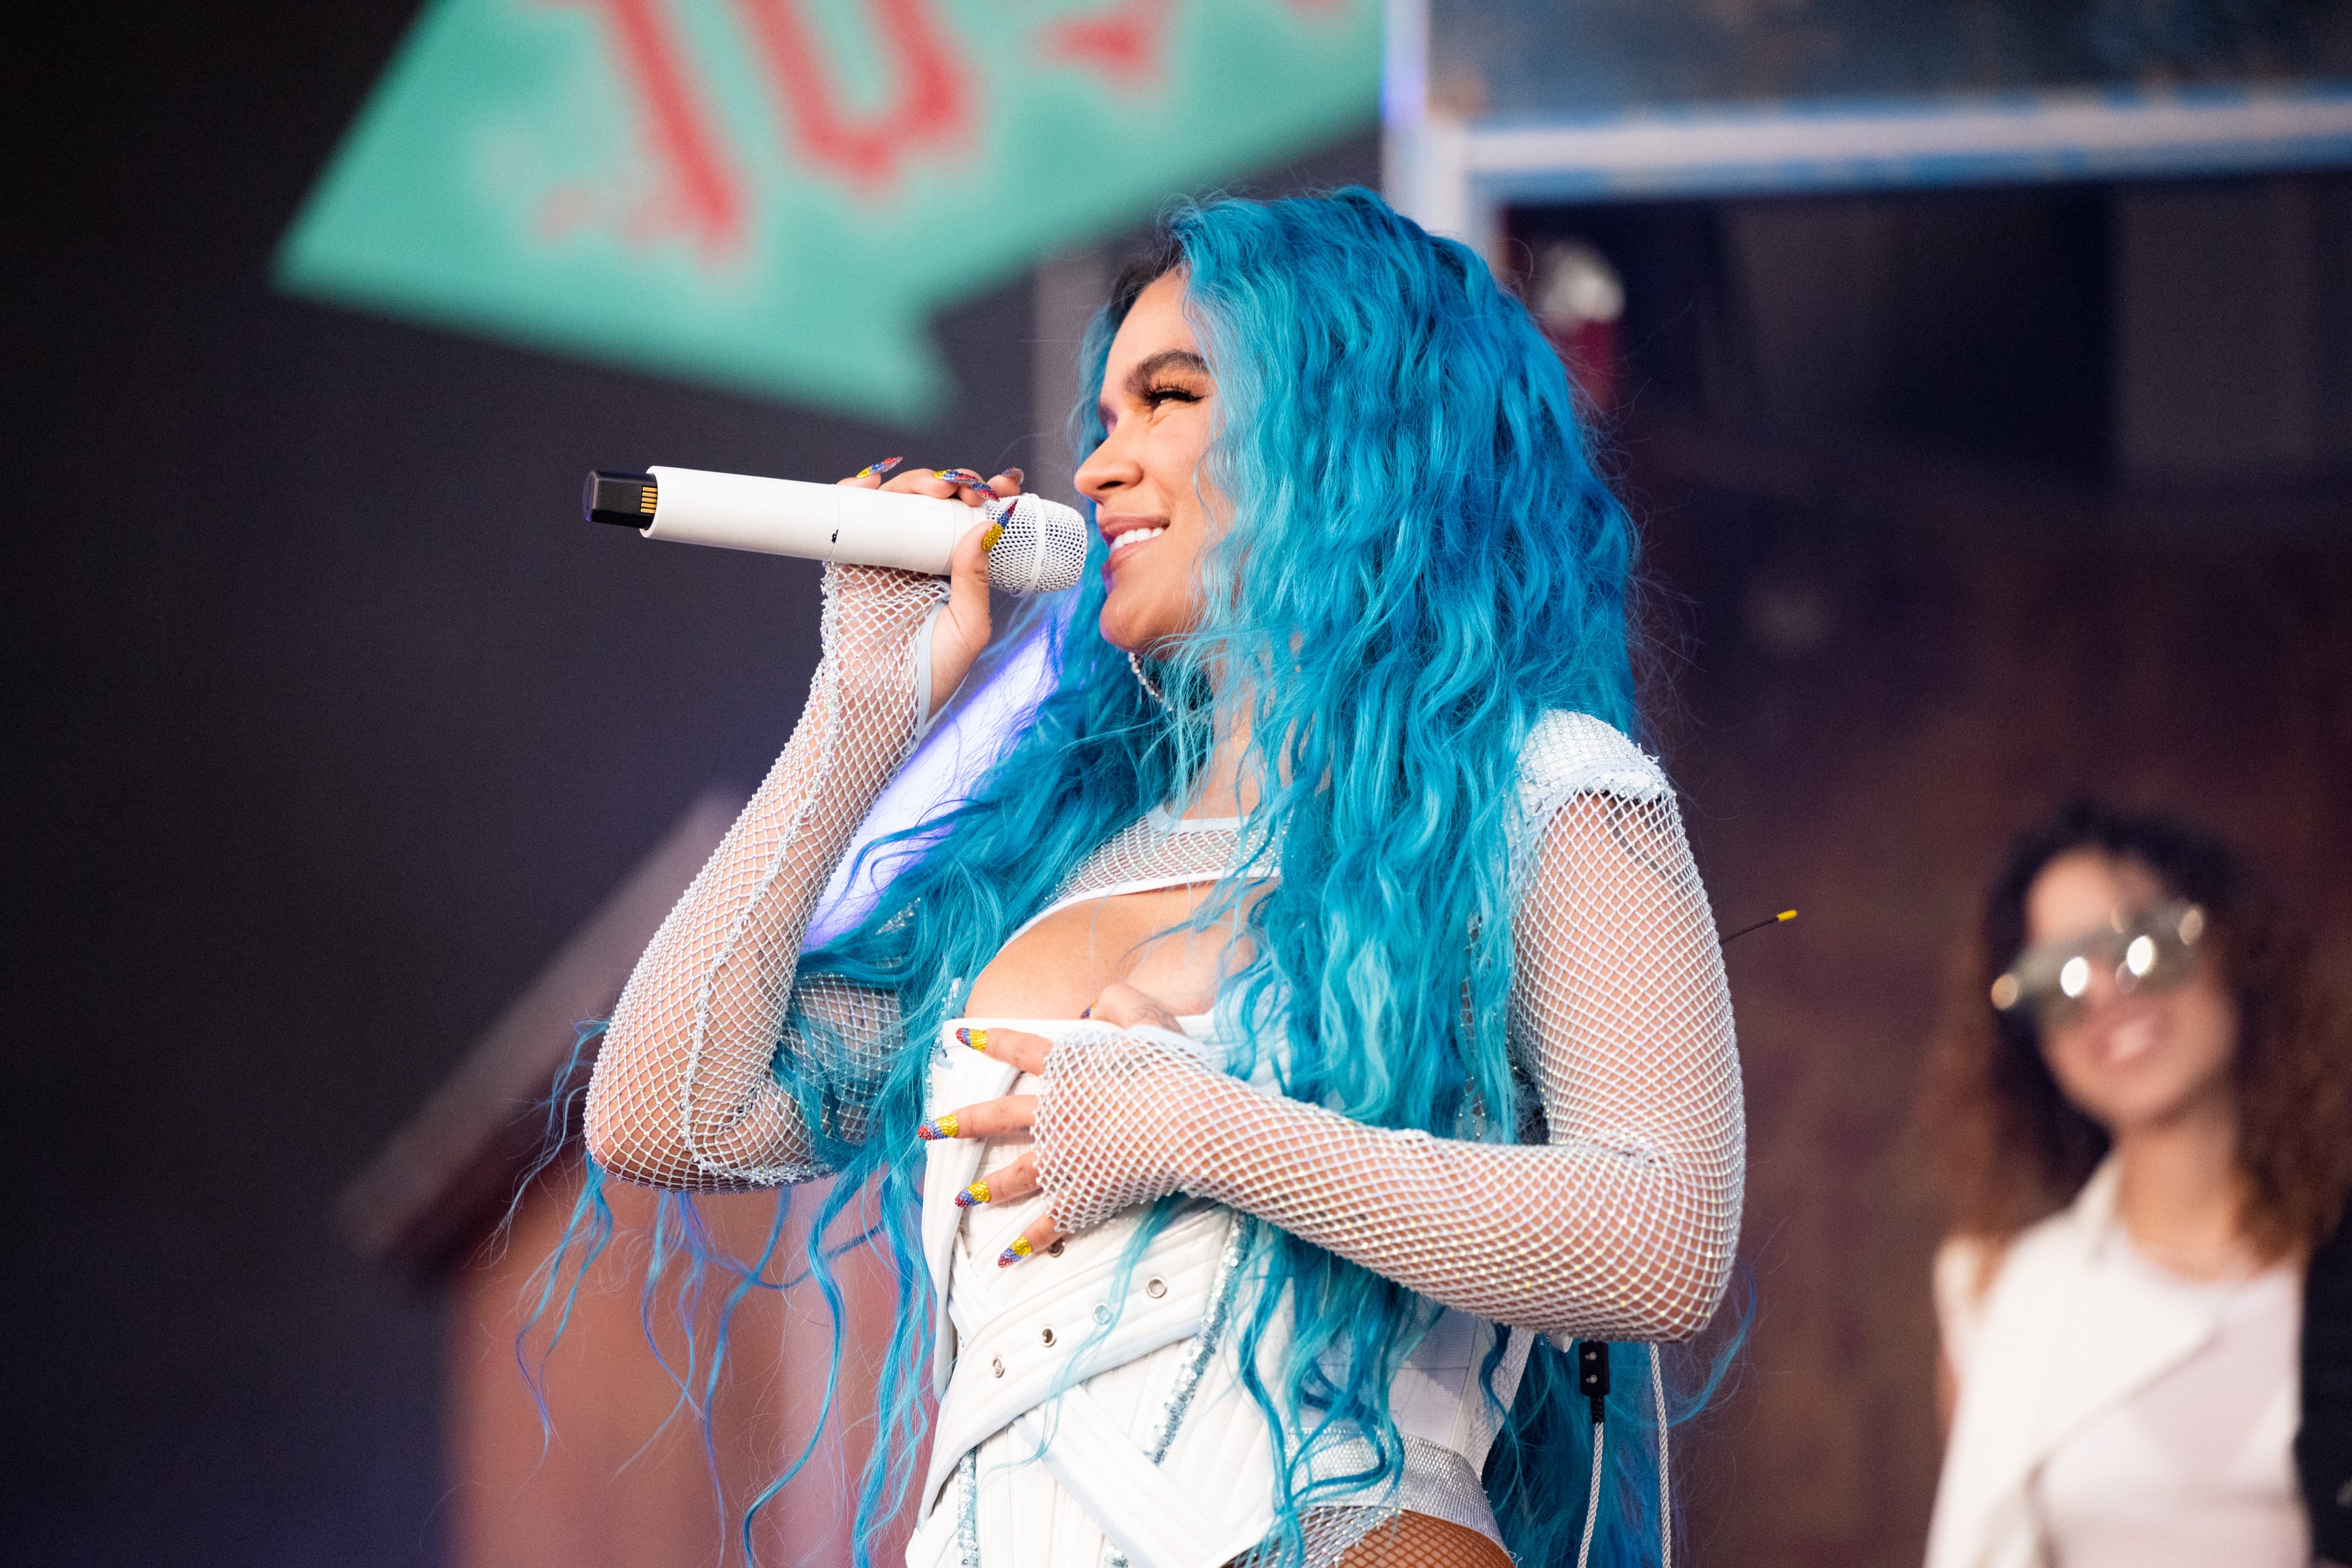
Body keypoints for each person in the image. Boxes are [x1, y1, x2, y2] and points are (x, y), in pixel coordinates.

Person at [570, 188, 1744, 1568]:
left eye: (1167, 399)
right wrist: (860, 710)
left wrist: (1200, 1131)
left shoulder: (1539, 788)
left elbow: (1663, 1235)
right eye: (1103, 421)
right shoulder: (1048, 854)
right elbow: (665, 1113)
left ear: (1348, 422)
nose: (1102, 469)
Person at [1921, 799, 2352, 1568]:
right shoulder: (1999, 1300)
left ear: (2234, 947)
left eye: (2145, 946)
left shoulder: (2335, 1265)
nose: (2106, 999)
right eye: (2055, 981)